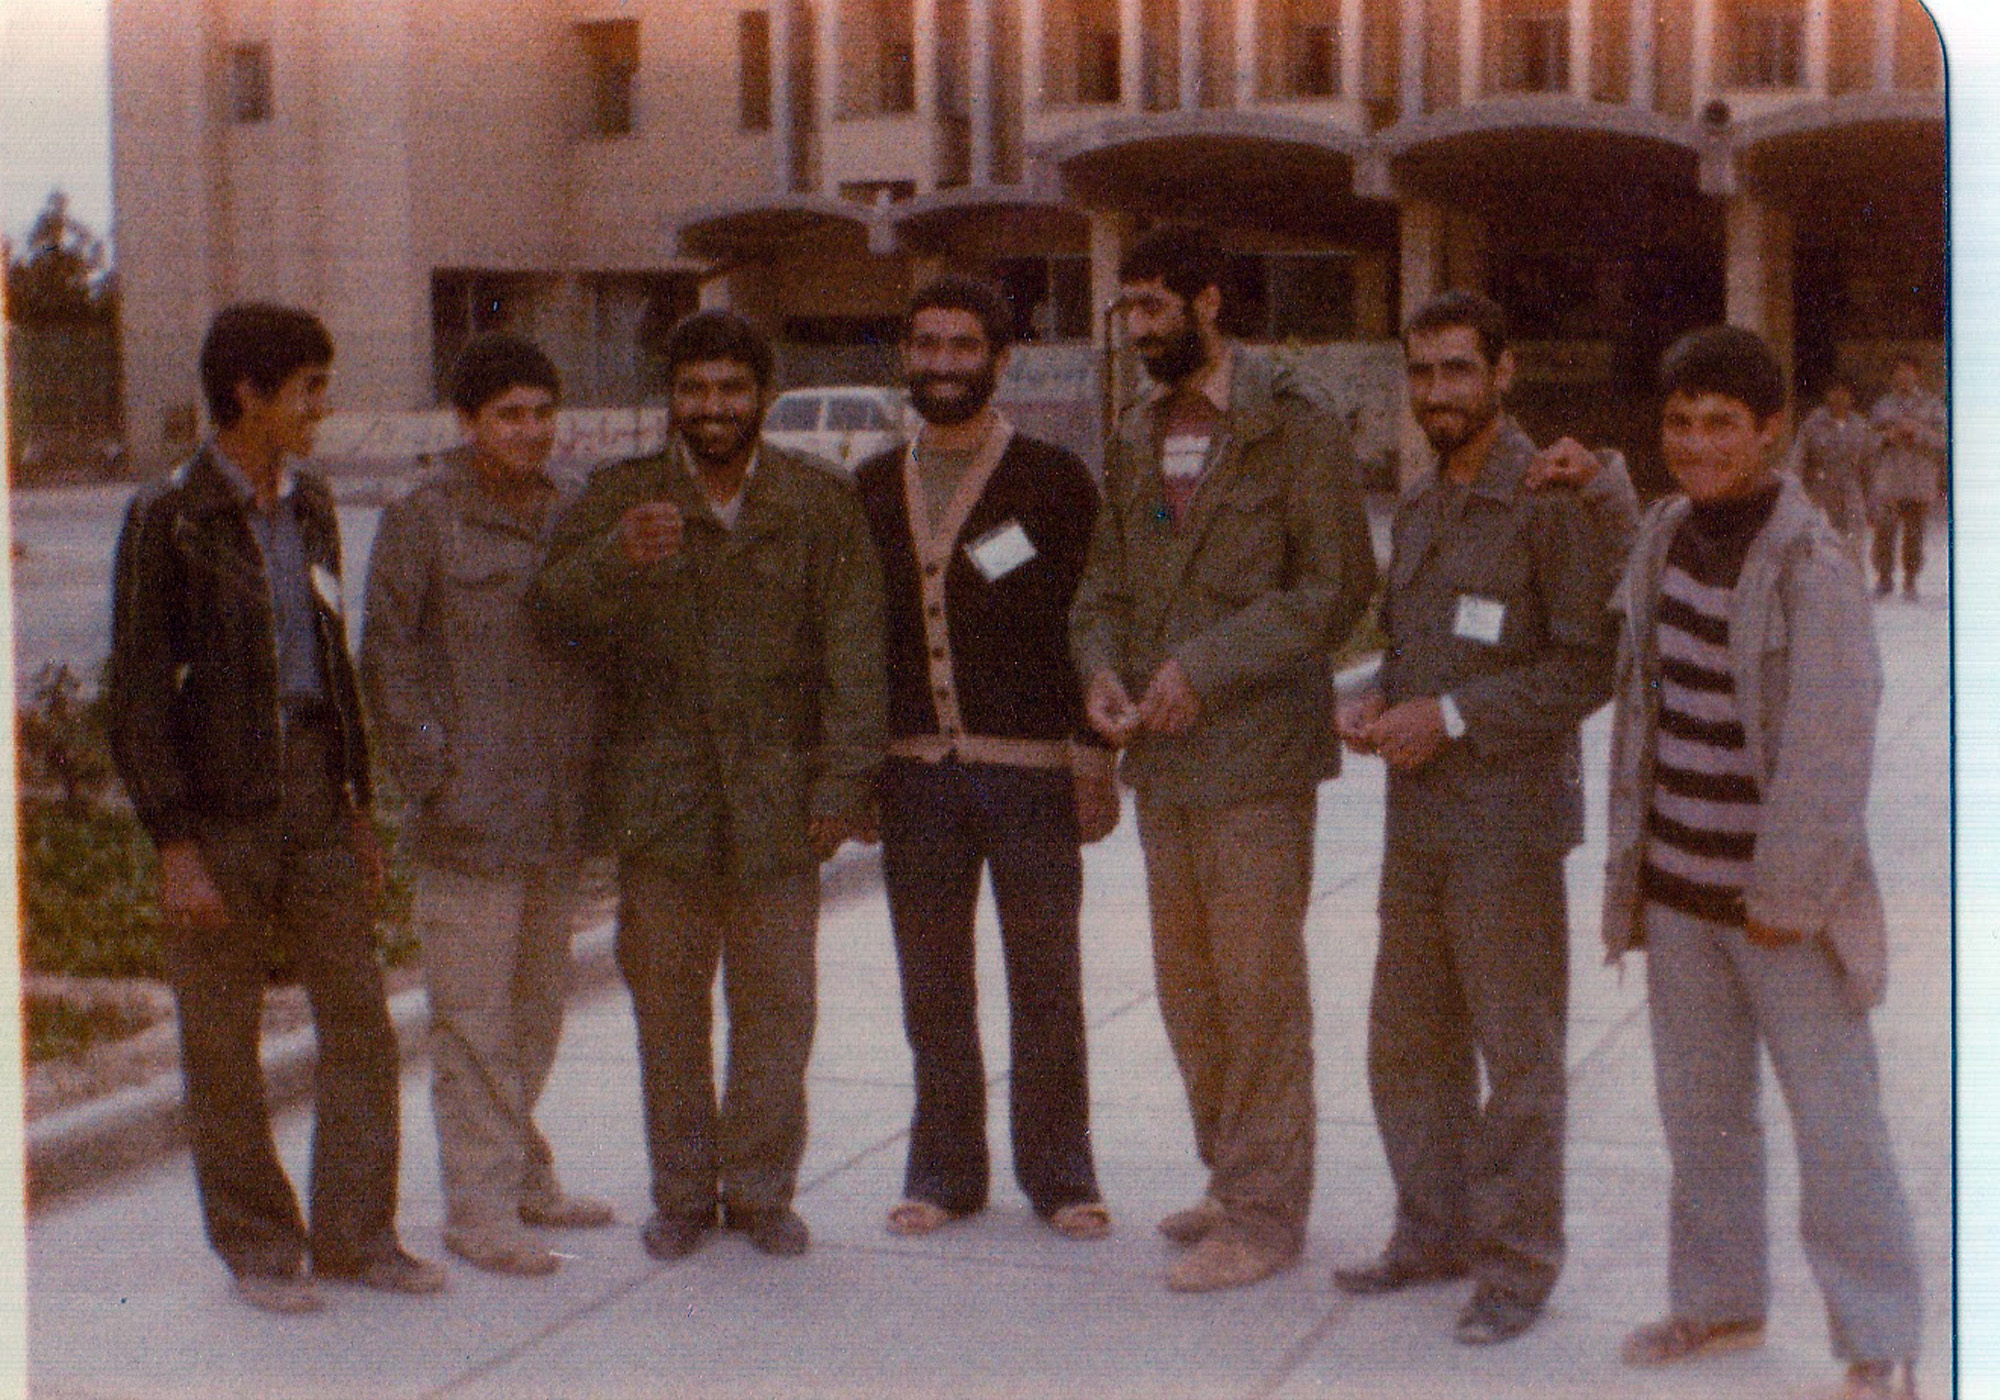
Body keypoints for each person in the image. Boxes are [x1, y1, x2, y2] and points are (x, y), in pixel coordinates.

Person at [103, 303, 445, 1314]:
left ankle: (358, 1235)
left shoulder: (314, 503)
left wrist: (356, 806)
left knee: (363, 1027)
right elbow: (136, 695)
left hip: (315, 798)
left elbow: (329, 659)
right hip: (218, 814)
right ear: (248, 393)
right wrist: (174, 845)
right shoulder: (168, 516)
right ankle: (257, 1247)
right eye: (309, 389)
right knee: (222, 1045)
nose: (322, 407)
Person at [528, 311, 886, 1262]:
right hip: (664, 802)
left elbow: (856, 649)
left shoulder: (816, 500)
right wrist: (613, 558)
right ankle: (683, 1194)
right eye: (694, 389)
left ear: (763, 395)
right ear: (672, 398)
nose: (713, 407)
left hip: (779, 800)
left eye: (732, 388)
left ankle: (762, 1191)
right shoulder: (624, 498)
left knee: (777, 1010)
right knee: (667, 1009)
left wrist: (844, 781)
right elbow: (550, 611)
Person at [1603, 326, 1921, 1400]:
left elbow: (1833, 747)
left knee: (1837, 1126)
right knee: (1702, 1119)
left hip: (1784, 907)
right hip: (1678, 893)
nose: (1695, 444)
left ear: (1771, 431)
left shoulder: (1810, 563)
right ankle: (1719, 1303)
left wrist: (1785, 895)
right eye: (1678, 423)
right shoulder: (1662, 534)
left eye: (1720, 425)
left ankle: (1878, 1342)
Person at [1069, 225, 1378, 1293]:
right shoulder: (1136, 431)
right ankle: (1232, 1171)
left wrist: (1204, 665)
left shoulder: (1292, 421)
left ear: (1207, 302)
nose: (1138, 328)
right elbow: (1104, 584)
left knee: (1256, 992)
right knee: (1188, 991)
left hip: (1256, 759)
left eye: (1155, 306)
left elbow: (1334, 587)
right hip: (1166, 762)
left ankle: (1263, 1213)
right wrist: (1099, 671)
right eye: (1128, 309)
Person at [1330, 290, 1635, 1345]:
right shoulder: (1420, 503)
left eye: (1457, 368)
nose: (1436, 391)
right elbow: (1412, 646)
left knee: (1517, 1055)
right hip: (1417, 821)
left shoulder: (1547, 498)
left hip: (1506, 825)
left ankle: (1516, 1267)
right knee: (1408, 1043)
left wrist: (1451, 716)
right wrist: (1374, 696)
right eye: (1420, 371)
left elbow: (1588, 664)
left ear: (1502, 373)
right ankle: (1434, 1231)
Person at [853, 276, 1116, 1244]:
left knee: (1045, 980)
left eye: (963, 346)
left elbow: (1092, 617)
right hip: (914, 773)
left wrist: (1093, 755)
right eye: (926, 344)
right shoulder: (870, 486)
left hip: (1030, 771)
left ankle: (1060, 1172)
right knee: (932, 982)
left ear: (1000, 361)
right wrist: (855, 770)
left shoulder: (1053, 480)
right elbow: (853, 643)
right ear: (905, 355)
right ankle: (944, 1169)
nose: (942, 364)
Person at [360, 334, 616, 1278]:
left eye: (544, 412)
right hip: (470, 817)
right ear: (468, 422)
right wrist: (435, 774)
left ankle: (523, 1174)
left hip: (558, 811)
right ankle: (478, 1209)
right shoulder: (424, 520)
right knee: (472, 1022)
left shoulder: (579, 510)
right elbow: (387, 657)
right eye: (509, 414)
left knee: (536, 1013)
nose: (531, 430)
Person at [1866, 356, 1946, 600]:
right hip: (1889, 479)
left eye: (1908, 371)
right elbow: (1867, 440)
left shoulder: (1932, 406)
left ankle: (1910, 580)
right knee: (1884, 531)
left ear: (1917, 374)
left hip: (1918, 478)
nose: (1904, 376)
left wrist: (1918, 433)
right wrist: (1886, 437)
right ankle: (1884, 578)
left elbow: (1944, 440)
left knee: (1914, 534)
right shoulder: (1882, 406)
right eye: (1899, 371)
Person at [1790, 377, 1872, 561]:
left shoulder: (1860, 426)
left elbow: (1869, 466)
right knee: (1821, 548)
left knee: (1853, 547)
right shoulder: (1813, 424)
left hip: (1852, 494)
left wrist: (1871, 501)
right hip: (1821, 494)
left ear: (1851, 397)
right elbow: (1798, 460)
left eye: (1844, 392)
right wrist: (1797, 493)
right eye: (1835, 391)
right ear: (1827, 395)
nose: (1839, 397)